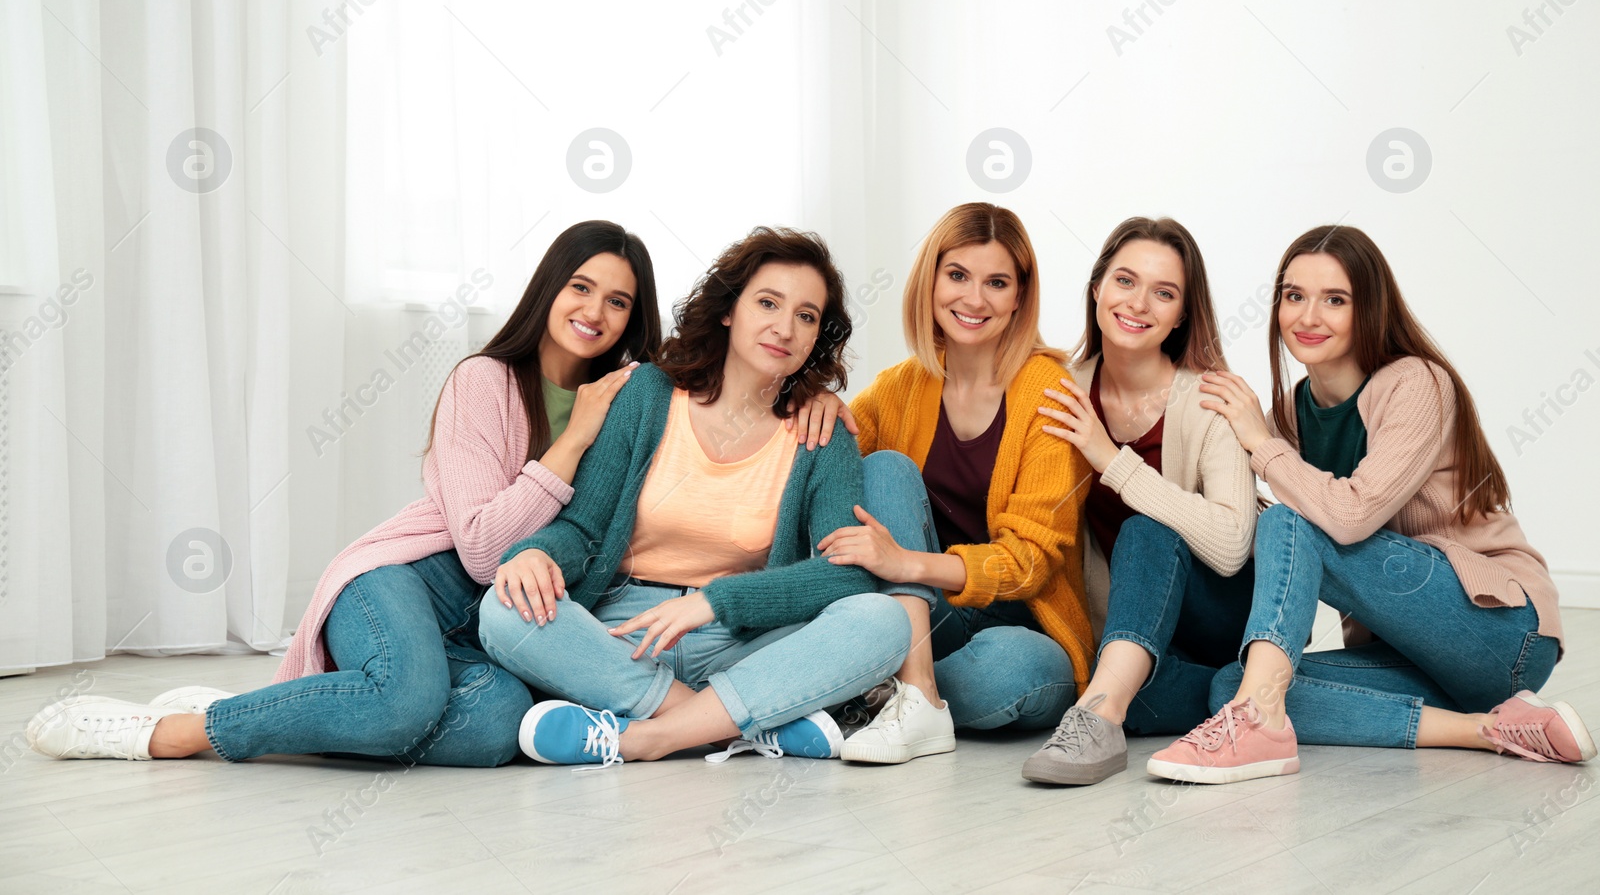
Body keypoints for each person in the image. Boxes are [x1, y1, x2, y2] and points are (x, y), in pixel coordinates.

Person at [29, 221, 660, 765]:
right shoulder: (484, 380)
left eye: (618, 301)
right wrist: (572, 441)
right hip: (405, 580)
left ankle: (284, 713)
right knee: (404, 702)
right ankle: (172, 733)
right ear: (550, 287)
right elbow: (483, 550)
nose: (595, 312)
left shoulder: (628, 408)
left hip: (486, 625)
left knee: (498, 727)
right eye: (581, 287)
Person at [1148, 225, 1594, 784]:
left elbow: (1349, 518)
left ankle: (1256, 727)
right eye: (1294, 296)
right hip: (1414, 655)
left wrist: (1260, 445)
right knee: (1236, 685)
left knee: (1293, 523)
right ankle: (1489, 729)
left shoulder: (1417, 383)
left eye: (1335, 299)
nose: (1308, 317)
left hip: (1502, 631)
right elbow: (1282, 548)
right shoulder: (1290, 414)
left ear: (1370, 310)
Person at [477, 227, 911, 767]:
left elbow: (844, 572)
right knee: (501, 607)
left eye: (806, 316)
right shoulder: (648, 394)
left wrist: (719, 601)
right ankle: (729, 725)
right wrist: (537, 553)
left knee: (882, 620)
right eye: (768, 303)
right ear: (729, 311)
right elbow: (582, 529)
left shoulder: (823, 433)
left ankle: (642, 738)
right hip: (621, 632)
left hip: (738, 637)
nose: (784, 327)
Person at [818, 202, 1092, 765]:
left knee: (1007, 670)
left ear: (1020, 296)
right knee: (885, 468)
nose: (974, 299)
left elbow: (1031, 561)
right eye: (958, 276)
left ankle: (872, 693)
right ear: (931, 281)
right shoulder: (900, 387)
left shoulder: (1049, 390)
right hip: (928, 617)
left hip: (1022, 621)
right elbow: (830, 462)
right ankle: (915, 694)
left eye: (996, 282)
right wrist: (815, 399)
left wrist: (909, 565)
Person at [1019, 217, 1258, 785]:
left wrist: (1111, 458)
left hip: (1216, 614)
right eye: (1125, 281)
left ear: (1181, 314)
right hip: (1127, 641)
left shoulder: (1211, 400)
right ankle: (1221, 697)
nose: (1139, 303)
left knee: (1147, 530)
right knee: (1111, 682)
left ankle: (1099, 715)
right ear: (1097, 287)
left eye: (1164, 292)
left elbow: (1231, 547)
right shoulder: (1055, 392)